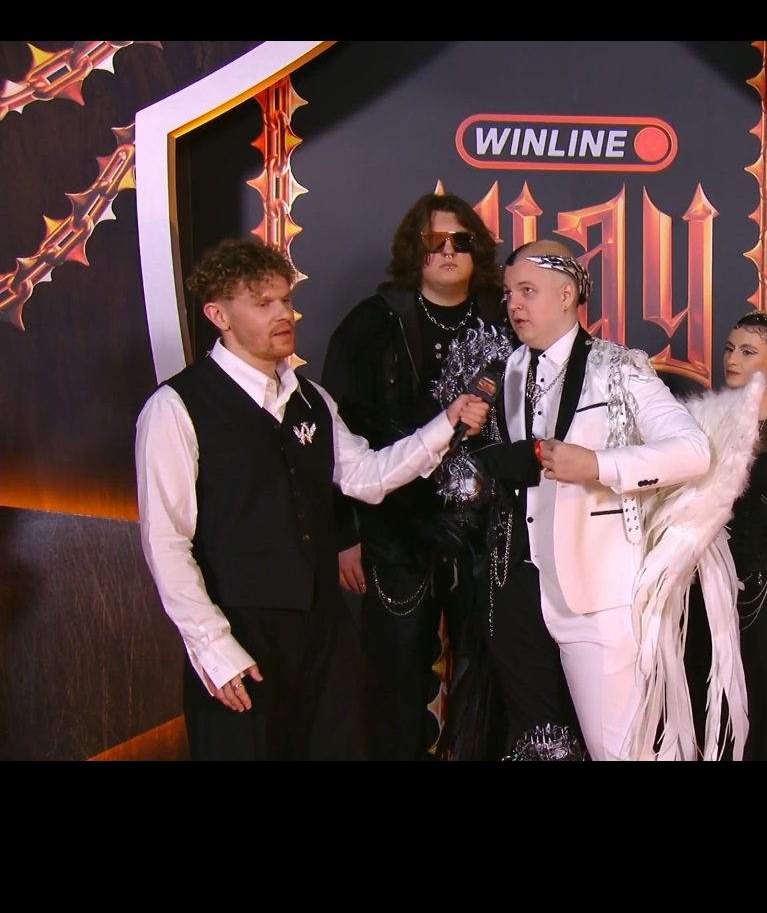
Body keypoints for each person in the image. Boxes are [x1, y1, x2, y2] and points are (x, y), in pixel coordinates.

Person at [134, 237, 489, 761]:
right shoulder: (175, 407)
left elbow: (367, 477)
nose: (284, 313)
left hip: (325, 634)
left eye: (285, 299)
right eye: (263, 303)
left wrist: (445, 425)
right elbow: (166, 542)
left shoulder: (312, 399)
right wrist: (213, 647)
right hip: (241, 635)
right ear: (218, 315)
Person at [474, 239, 711, 761]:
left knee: (617, 749)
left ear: (567, 295)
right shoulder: (508, 372)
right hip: (518, 593)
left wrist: (599, 465)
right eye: (509, 293)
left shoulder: (619, 366)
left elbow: (693, 451)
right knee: (539, 746)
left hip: (597, 595)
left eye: (527, 291)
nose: (513, 305)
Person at [320, 191, 510, 761]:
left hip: (486, 529)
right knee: (396, 676)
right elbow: (334, 440)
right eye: (435, 241)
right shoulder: (370, 324)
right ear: (413, 250)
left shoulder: (510, 319)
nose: (449, 250)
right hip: (394, 528)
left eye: (461, 240)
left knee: (489, 673)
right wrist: (345, 534)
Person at [685, 310, 767, 761]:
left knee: (763, 694)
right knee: (705, 690)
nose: (732, 359)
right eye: (729, 349)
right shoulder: (702, 421)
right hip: (707, 577)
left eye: (747, 351)